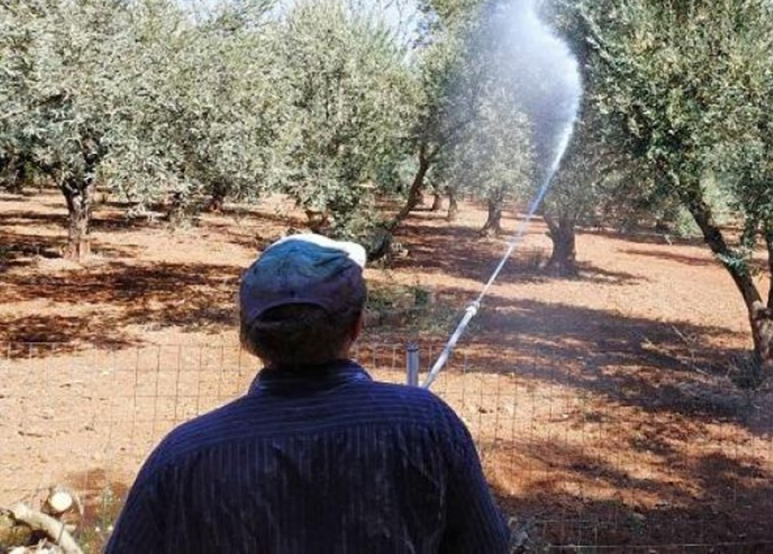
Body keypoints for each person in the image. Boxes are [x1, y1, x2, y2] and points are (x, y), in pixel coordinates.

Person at [106, 233, 509, 553]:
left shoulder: (183, 457)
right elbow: (486, 545)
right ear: (356, 326)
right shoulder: (428, 425)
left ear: (246, 336)